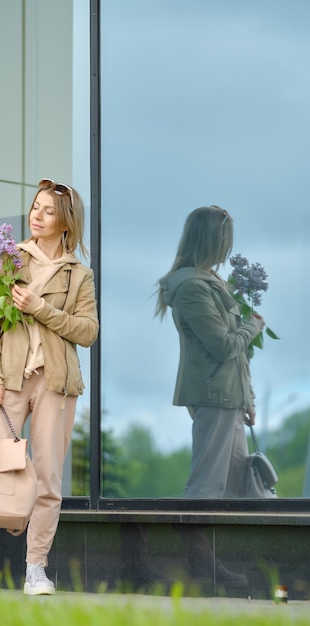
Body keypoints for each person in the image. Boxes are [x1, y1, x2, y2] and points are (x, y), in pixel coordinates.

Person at [0, 179, 99, 595]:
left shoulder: (79, 275)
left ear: (65, 222)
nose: (36, 215)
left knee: (48, 480)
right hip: (7, 383)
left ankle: (36, 569)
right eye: (35, 207)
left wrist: (42, 309)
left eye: (48, 211)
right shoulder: (8, 258)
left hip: (56, 383)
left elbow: (87, 332)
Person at [155, 205, 265, 587]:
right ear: (210, 240)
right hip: (213, 395)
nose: (227, 248)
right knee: (206, 484)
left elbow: (236, 356)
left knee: (234, 485)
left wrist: (248, 397)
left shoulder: (211, 282)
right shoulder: (191, 288)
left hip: (229, 397)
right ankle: (200, 563)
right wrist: (251, 326)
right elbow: (222, 346)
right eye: (224, 240)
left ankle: (222, 565)